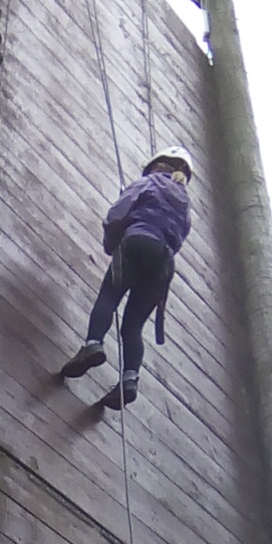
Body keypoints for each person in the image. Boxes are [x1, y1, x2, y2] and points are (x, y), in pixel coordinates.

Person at [61, 146, 192, 408]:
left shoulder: (148, 182)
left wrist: (112, 244)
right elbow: (179, 237)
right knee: (133, 326)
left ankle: (93, 345)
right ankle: (129, 380)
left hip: (136, 243)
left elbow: (117, 214)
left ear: (155, 165)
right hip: (163, 261)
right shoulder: (185, 206)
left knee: (109, 297)